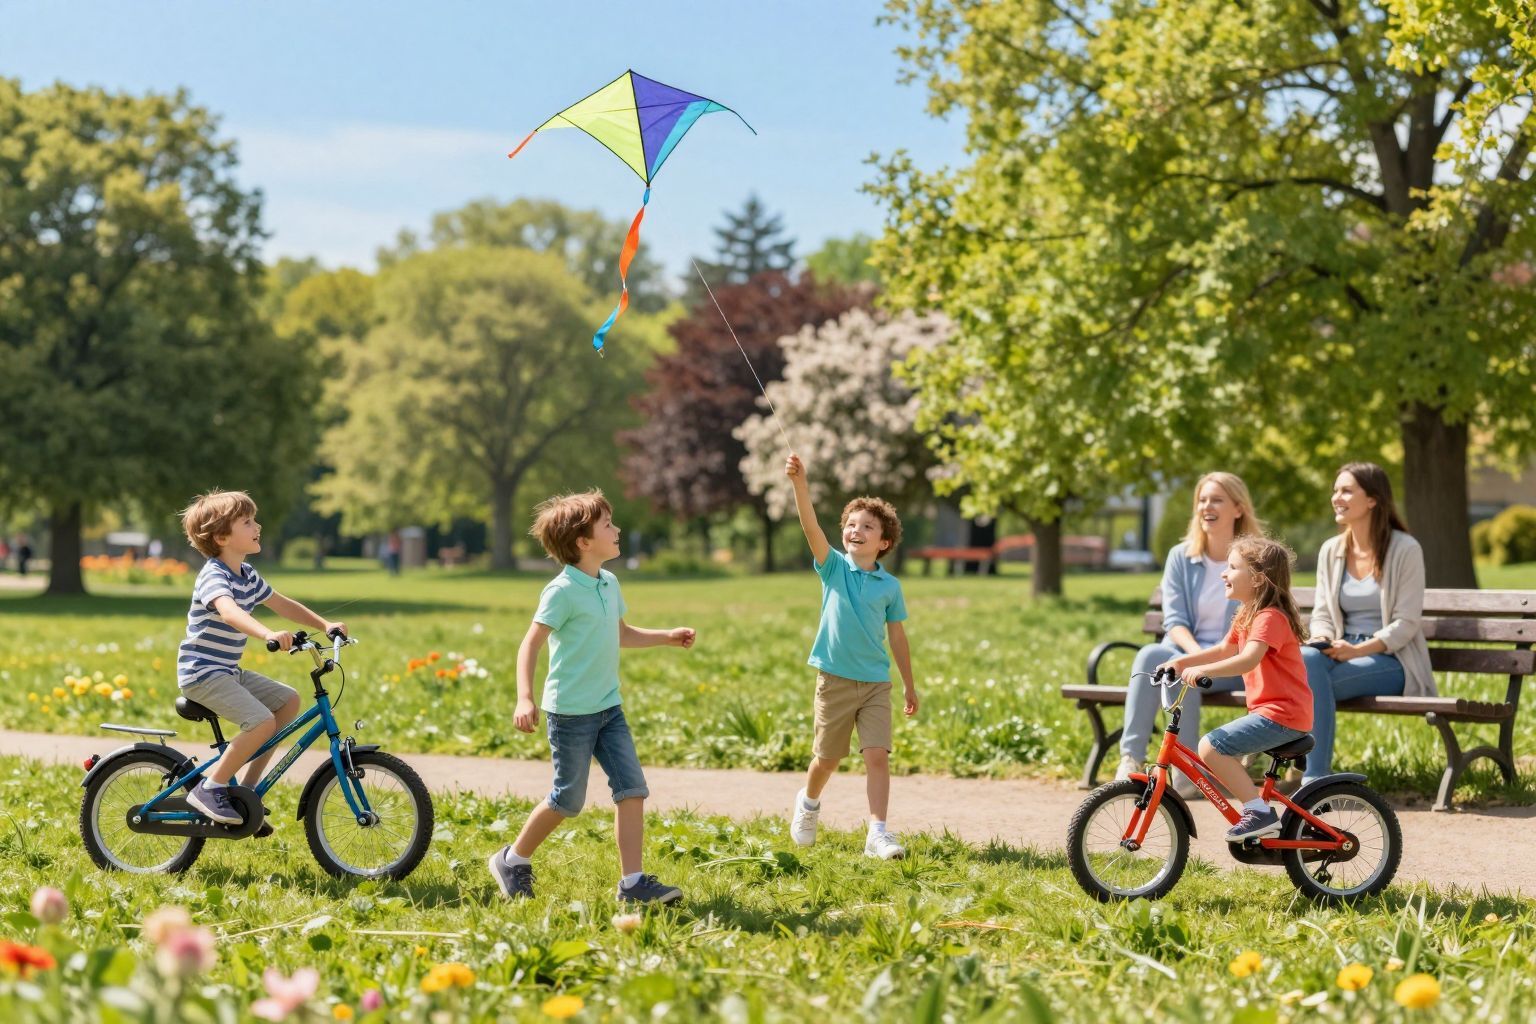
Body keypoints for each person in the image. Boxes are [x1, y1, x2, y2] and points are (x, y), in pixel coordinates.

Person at [489, 491, 694, 904]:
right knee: (568, 800)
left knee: (632, 789)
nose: (617, 530)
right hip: (570, 715)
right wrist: (524, 698)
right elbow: (530, 645)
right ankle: (512, 859)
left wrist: (665, 637)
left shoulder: (609, 582)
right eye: (608, 525)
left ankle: (633, 883)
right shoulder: (561, 591)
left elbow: (620, 633)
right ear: (583, 541)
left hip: (608, 709)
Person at [176, 491, 346, 829]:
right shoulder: (214, 576)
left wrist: (325, 624)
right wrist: (267, 634)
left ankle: (248, 793)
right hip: (202, 673)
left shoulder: (247, 575)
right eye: (247, 522)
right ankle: (210, 788)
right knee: (261, 721)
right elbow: (229, 612)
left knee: (288, 701)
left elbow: (283, 604)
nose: (258, 526)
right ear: (222, 537)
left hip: (227, 671)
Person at [783, 453, 918, 861]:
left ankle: (877, 832)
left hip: (876, 682)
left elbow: (897, 636)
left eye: (867, 526)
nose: (855, 530)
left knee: (877, 755)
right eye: (851, 524)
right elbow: (810, 527)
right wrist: (799, 484)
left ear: (884, 542)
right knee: (827, 758)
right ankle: (808, 803)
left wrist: (910, 684)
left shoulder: (890, 586)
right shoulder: (833, 568)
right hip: (835, 680)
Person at [1115, 473, 1264, 797]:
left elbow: (1258, 622)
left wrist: (1199, 662)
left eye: (1216, 500)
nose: (1206, 506)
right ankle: (1131, 759)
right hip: (1188, 649)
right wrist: (1195, 656)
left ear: (1238, 509)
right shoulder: (1181, 557)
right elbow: (1175, 620)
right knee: (1149, 656)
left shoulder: (1255, 560)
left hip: (1235, 661)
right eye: (1202, 500)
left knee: (1180, 670)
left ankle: (1187, 774)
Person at [1163, 536, 1312, 841]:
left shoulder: (1270, 617)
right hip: (1271, 714)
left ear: (1257, 579)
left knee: (1211, 746)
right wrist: (1179, 663)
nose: (1223, 573)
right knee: (1213, 747)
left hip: (1282, 715)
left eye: (1232, 567)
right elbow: (1221, 651)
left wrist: (1201, 671)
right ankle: (1258, 810)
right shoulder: (1247, 614)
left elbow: (1247, 660)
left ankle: (1258, 811)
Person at [1301, 462, 1432, 783]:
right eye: (1335, 490)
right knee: (1305, 659)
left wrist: (1358, 650)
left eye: (1346, 490)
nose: (1336, 497)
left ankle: (1312, 778)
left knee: (1304, 685)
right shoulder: (1331, 550)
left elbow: (1407, 623)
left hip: (1392, 659)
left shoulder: (1405, 549)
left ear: (1373, 499)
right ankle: (1310, 774)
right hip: (1340, 652)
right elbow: (1321, 613)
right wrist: (1322, 638)